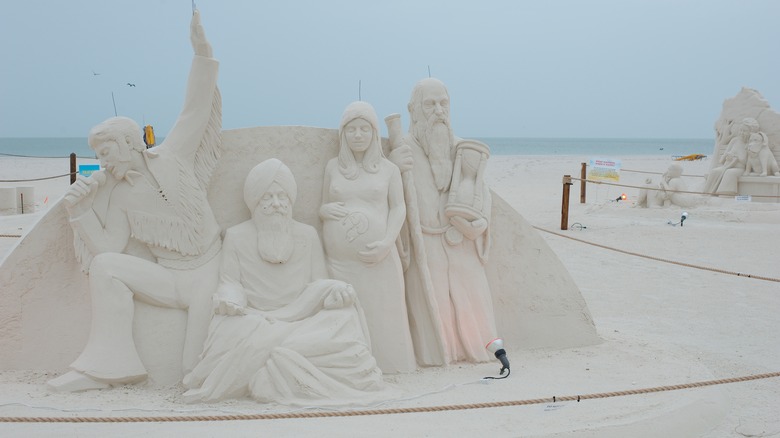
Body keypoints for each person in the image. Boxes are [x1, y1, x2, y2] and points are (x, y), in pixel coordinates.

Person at [48, 10, 222, 392]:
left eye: (107, 151)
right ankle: (110, 367)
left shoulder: (175, 154)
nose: (104, 161)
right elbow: (108, 248)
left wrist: (202, 52)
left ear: (130, 143)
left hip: (212, 268)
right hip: (172, 277)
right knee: (108, 266)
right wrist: (80, 212)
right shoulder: (120, 195)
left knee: (196, 374)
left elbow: (196, 108)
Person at [183, 159, 393, 405]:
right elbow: (230, 283)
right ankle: (279, 365)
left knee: (344, 317)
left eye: (282, 197)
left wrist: (335, 292)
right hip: (256, 320)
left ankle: (277, 366)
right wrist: (230, 299)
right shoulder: (237, 236)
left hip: (302, 323)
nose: (276, 204)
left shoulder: (307, 235)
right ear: (254, 202)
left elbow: (319, 285)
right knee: (228, 326)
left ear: (290, 200)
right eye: (267, 197)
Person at [388, 78, 497, 366]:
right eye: (430, 104)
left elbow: (480, 190)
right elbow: (384, 194)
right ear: (414, 110)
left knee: (473, 304)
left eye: (443, 103)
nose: (438, 110)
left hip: (461, 243)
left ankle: (478, 348)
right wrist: (393, 169)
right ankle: (440, 354)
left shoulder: (463, 148)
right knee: (433, 311)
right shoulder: (402, 151)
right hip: (426, 244)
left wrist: (481, 221)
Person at [320, 101, 416, 374]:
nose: (358, 135)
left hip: (379, 261)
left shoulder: (388, 170)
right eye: (351, 129)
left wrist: (386, 243)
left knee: (384, 319)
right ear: (343, 134)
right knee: (346, 319)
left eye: (364, 129)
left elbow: (398, 208)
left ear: (374, 133)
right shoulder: (332, 168)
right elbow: (323, 205)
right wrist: (325, 210)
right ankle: (350, 370)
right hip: (340, 265)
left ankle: (392, 368)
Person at [703, 118, 760, 195]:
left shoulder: (751, 144)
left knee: (729, 173)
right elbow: (722, 159)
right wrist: (727, 156)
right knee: (714, 171)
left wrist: (737, 158)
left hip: (740, 168)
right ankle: (707, 193)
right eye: (741, 130)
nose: (742, 133)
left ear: (751, 132)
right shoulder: (735, 140)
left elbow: (749, 163)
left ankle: (726, 193)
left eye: (745, 131)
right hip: (727, 165)